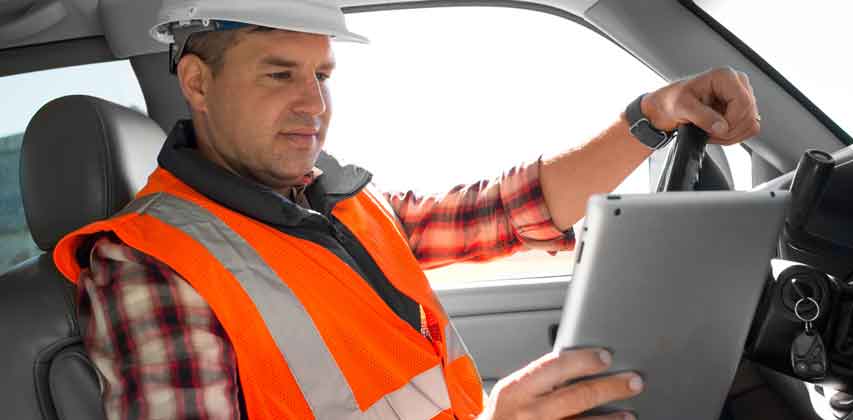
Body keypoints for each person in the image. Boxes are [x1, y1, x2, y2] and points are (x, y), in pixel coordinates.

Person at [53, 0, 761, 419]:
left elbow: (505, 210)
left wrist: (652, 117)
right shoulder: (150, 267)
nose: (314, 104)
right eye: (280, 74)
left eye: (323, 75)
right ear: (198, 83)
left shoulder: (338, 205)